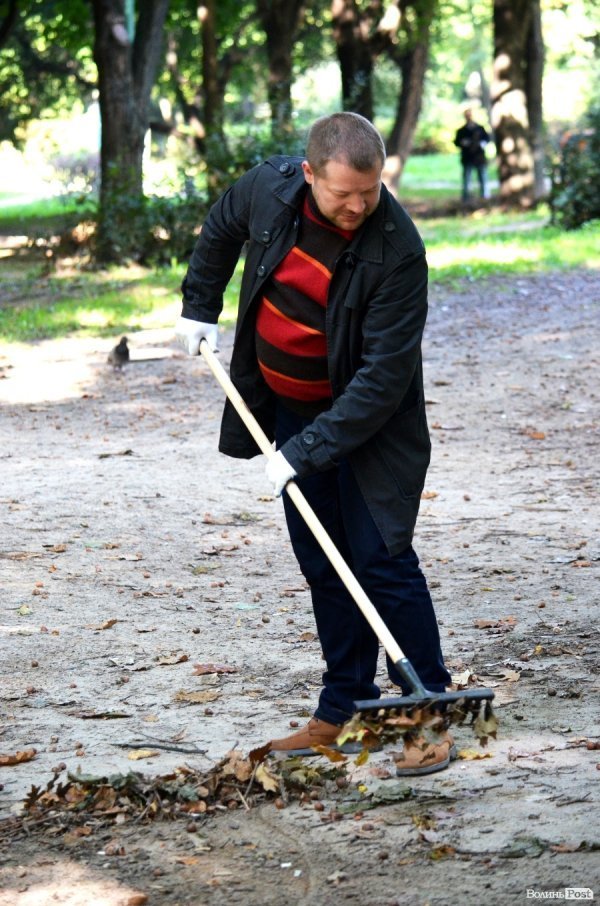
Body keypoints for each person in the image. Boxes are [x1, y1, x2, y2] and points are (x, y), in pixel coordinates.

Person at [175, 112, 454, 775]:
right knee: (324, 562)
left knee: (380, 559)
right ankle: (344, 706)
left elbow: (382, 382)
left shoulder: (398, 250)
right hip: (292, 410)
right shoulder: (268, 190)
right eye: (344, 194)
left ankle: (430, 712)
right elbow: (221, 227)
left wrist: (300, 454)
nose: (359, 206)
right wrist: (199, 306)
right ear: (308, 175)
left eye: (371, 191)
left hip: (371, 427)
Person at [454, 107, 490, 202]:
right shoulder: (461, 131)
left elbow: (487, 138)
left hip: (479, 157)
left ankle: (485, 195)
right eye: (467, 116)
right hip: (467, 157)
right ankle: (466, 197)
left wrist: (482, 144)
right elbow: (456, 142)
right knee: (467, 178)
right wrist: (463, 143)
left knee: (482, 176)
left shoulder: (480, 128)